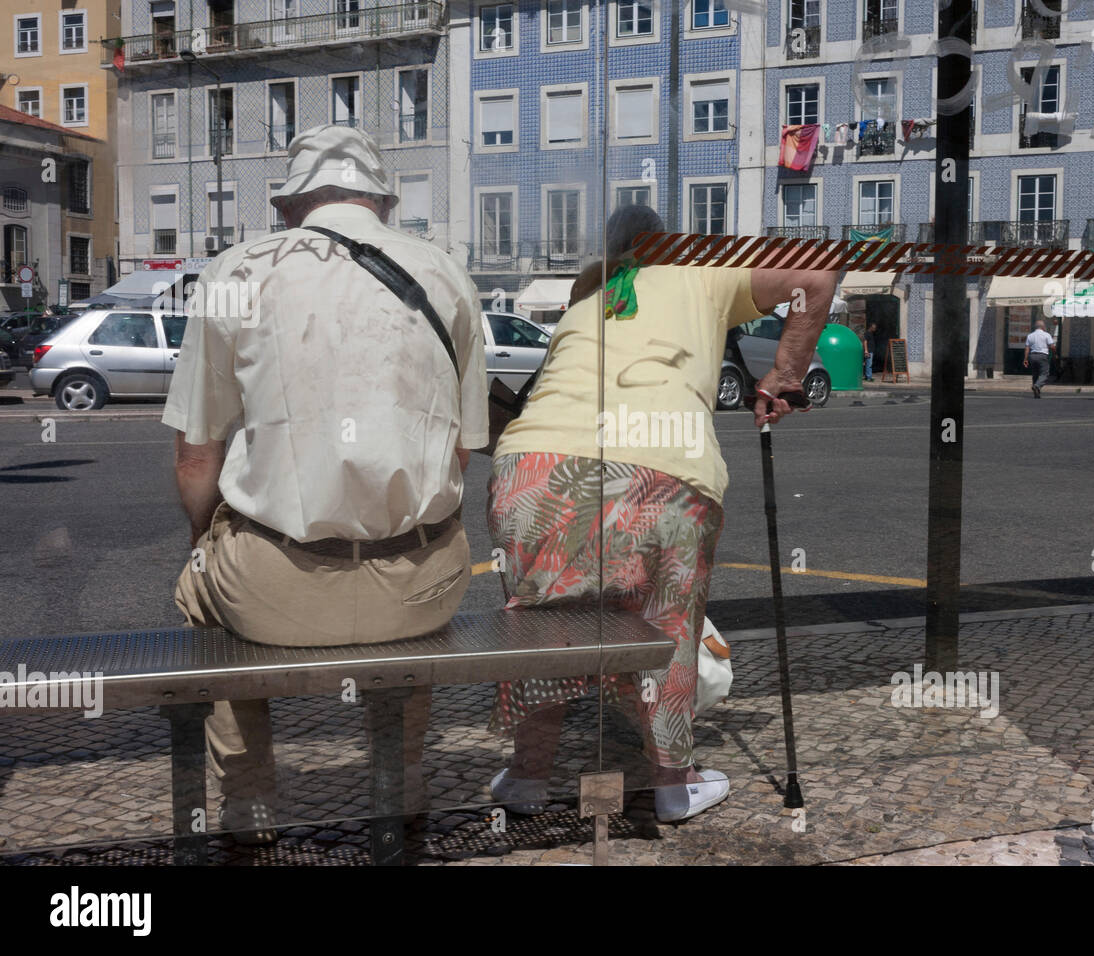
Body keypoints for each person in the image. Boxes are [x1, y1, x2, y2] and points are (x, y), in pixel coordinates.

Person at [164, 125, 489, 843]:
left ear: (290, 207)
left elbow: (196, 461)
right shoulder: (445, 272)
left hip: (275, 592)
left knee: (199, 591)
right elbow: (462, 453)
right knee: (427, 557)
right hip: (419, 587)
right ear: (381, 202)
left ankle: (248, 808)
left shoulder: (233, 274)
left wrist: (210, 543)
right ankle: (399, 790)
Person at [485, 204, 835, 823]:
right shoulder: (702, 269)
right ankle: (673, 781)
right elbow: (818, 272)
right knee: (668, 623)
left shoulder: (588, 297)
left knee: (543, 628)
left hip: (533, 470)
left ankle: (526, 777)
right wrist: (783, 373)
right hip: (659, 468)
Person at [1022, 318, 1054, 398]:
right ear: (1043, 327)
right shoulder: (1047, 335)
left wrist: (1025, 359)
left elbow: (1027, 348)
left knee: (1035, 374)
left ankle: (1036, 393)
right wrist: (1054, 352)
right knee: (1044, 374)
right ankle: (1037, 386)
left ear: (1036, 327)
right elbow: (1052, 346)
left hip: (1032, 356)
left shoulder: (1030, 335)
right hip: (1042, 356)